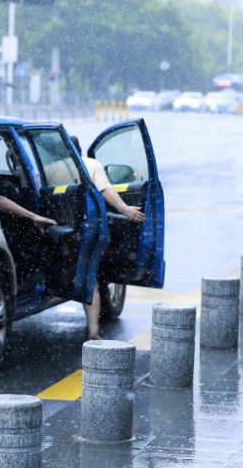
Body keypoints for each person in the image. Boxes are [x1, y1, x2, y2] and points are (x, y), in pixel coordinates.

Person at [70, 136, 146, 340]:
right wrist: (126, 209)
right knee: (90, 278)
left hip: (57, 232)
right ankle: (93, 331)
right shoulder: (92, 164)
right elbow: (106, 191)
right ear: (80, 149)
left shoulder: (49, 168)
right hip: (86, 230)